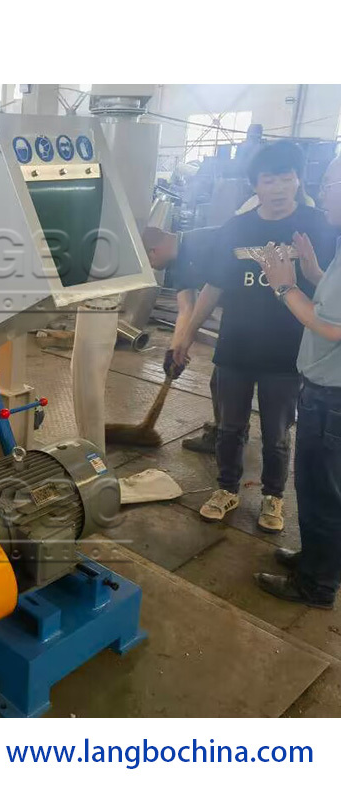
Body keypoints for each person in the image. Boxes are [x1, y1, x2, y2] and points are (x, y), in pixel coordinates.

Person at [175, 141, 336, 533]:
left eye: (286, 178)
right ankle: (227, 488)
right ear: (255, 185)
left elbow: (329, 287)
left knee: (277, 434)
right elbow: (213, 287)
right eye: (269, 180)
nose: (278, 188)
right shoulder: (236, 228)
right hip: (235, 349)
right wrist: (186, 335)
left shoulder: (320, 225)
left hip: (287, 353)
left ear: (299, 181)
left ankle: (273, 496)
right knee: (229, 428)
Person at [254, 156, 341, 609]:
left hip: (332, 399)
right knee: (318, 488)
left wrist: (285, 286)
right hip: (326, 391)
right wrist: (312, 272)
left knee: (322, 492)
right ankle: (318, 560)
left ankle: (317, 585)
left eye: (328, 183)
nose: (320, 192)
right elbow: (333, 299)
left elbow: (332, 327)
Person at [143, 225, 220, 453]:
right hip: (233, 315)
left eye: (149, 261)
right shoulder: (176, 266)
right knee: (221, 381)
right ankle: (226, 429)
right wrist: (174, 350)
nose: (152, 267)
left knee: (226, 379)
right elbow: (187, 308)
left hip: (253, 311)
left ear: (153, 251)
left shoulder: (206, 241)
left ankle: (228, 436)